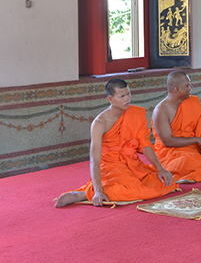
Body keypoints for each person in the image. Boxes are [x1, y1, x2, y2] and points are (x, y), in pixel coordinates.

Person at [55, 79, 177, 207]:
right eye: (122, 96)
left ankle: (95, 191)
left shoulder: (136, 113)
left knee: (163, 181)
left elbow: (145, 145)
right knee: (130, 189)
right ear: (110, 99)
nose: (127, 99)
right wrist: (98, 191)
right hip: (110, 164)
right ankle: (84, 194)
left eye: (128, 94)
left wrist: (160, 168)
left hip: (131, 162)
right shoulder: (99, 123)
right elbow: (94, 159)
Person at [152, 71, 201, 182]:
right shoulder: (161, 110)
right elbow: (167, 141)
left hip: (193, 149)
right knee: (196, 163)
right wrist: (197, 140)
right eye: (187, 85)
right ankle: (179, 173)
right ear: (177, 89)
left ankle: (193, 169)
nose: (191, 87)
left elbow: (200, 129)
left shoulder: (194, 101)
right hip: (170, 154)